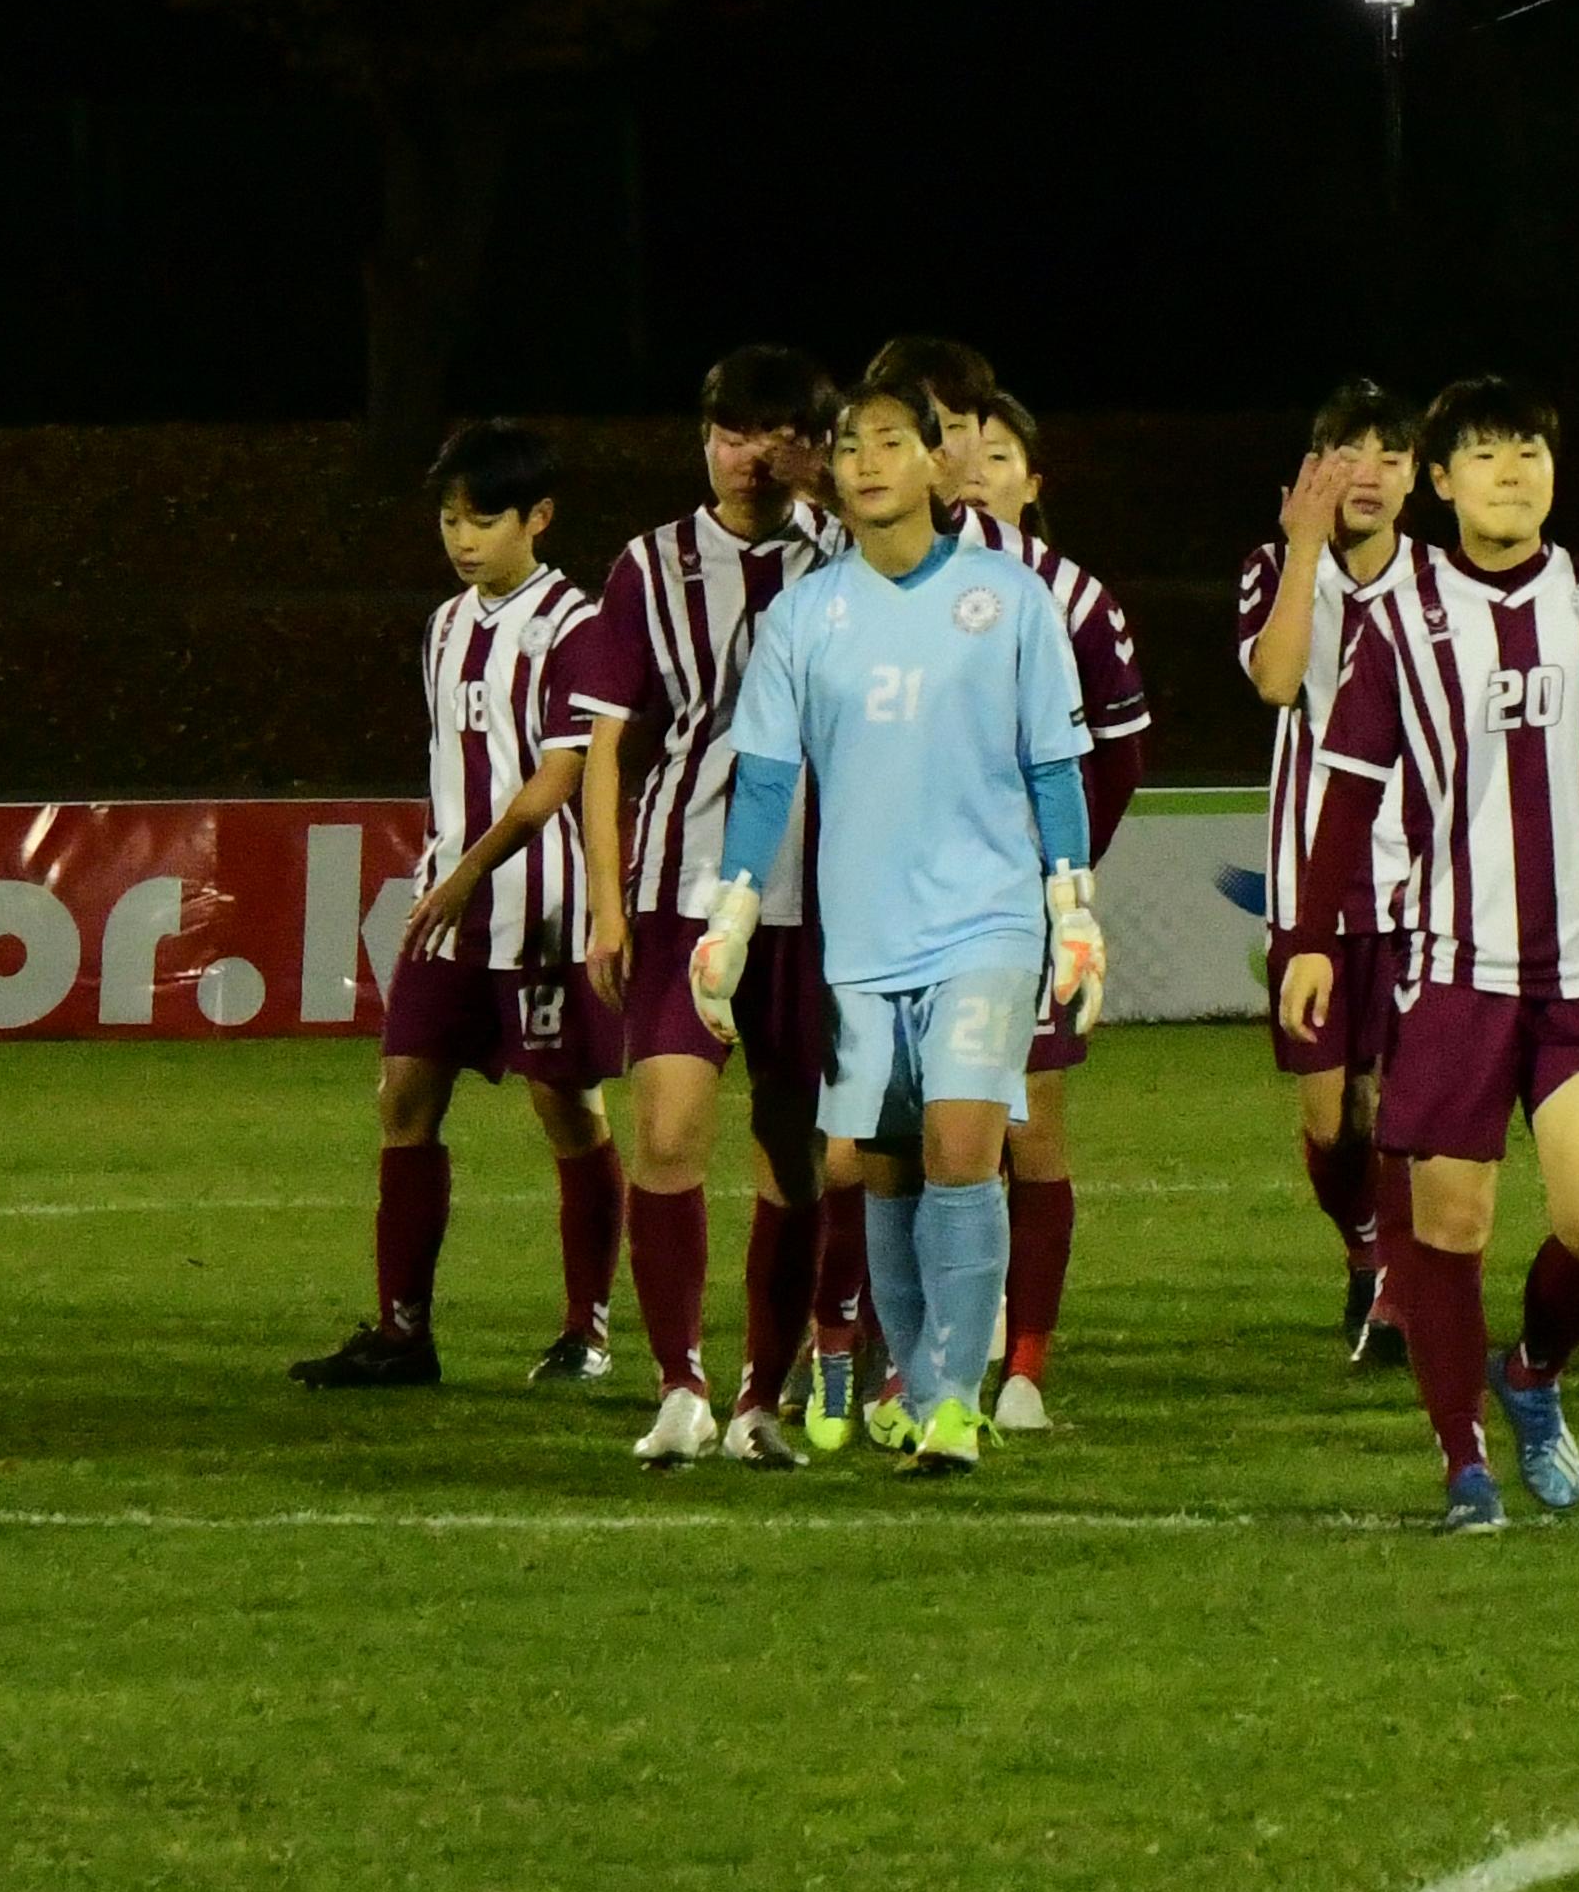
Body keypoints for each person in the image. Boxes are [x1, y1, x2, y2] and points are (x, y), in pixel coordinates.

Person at [1286, 378, 1579, 1521]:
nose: (1512, 471)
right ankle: (1464, 1462)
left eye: (1530, 452)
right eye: (1486, 455)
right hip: (1454, 971)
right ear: (1444, 481)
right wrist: (1313, 937)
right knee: (1448, 1227)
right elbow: (1348, 790)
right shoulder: (1401, 621)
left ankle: (1534, 1374)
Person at [699, 382, 1105, 1479]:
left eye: (892, 442)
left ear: (937, 463)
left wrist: (1073, 908)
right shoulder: (804, 617)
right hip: (864, 942)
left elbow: (1055, 764)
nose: (869, 461)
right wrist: (732, 911)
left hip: (987, 920)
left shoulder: (1008, 599)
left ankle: (954, 1406)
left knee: (963, 1149)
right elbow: (770, 778)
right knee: (879, 1170)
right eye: (850, 446)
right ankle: (914, 1381)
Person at [294, 420, 621, 1394]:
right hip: (455, 901)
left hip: (545, 906)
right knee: (402, 1095)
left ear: (539, 517)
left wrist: (466, 870)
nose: (462, 537)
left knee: (566, 1108)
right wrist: (452, 874)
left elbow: (561, 776)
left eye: (483, 518)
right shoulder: (442, 624)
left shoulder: (578, 626)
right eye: (449, 518)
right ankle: (404, 1333)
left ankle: (586, 1331)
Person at [561, 344, 841, 1468]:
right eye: (732, 432)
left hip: (819, 896)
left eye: (776, 433)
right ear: (704, 442)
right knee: (669, 1128)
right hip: (687, 888)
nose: (751, 456)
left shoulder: (849, 559)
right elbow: (608, 746)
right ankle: (677, 1382)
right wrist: (606, 905)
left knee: (797, 1149)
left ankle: (759, 1397)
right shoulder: (648, 565)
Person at [952, 389, 1152, 1431]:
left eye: (999, 452)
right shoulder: (892, 583)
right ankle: (920, 1340)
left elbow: (1120, 749)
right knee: (907, 1131)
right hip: (911, 897)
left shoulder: (1073, 597)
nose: (975, 465)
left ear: (1035, 480)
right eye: (960, 447)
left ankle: (1025, 1363)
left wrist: (1061, 866)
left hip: (1024, 903)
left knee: (1030, 1131)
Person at [1240, 381, 1425, 1365]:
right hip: (1309, 887)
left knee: (1396, 1104)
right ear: (1314, 472)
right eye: (1347, 453)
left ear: (1415, 477)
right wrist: (1305, 549)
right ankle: (1364, 1252)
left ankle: (1396, 1290)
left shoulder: (1441, 582)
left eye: (1389, 456)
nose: (1369, 472)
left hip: (1421, 891)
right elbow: (1276, 679)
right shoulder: (1275, 569)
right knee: (1332, 1116)